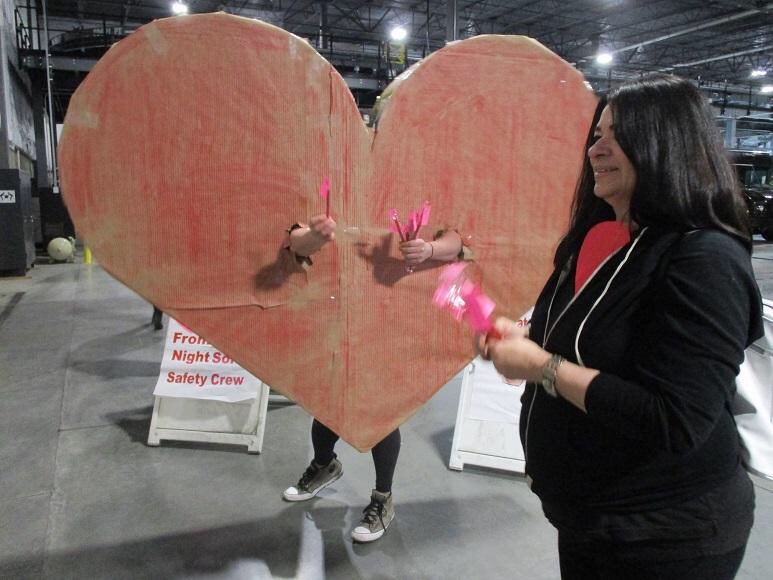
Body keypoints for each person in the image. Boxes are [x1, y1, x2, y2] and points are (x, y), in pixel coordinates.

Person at [476, 74, 763, 579]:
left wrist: (542, 366)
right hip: (593, 521)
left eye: (614, 135)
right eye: (596, 134)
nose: (595, 149)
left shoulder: (703, 257)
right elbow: (586, 343)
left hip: (666, 535)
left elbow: (675, 418)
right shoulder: (605, 239)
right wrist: (522, 342)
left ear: (662, 142)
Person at [282, 213, 463, 543]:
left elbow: (458, 240)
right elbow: (294, 239)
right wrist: (317, 237)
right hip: (334, 311)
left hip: (394, 317)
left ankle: (383, 497)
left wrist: (429, 249)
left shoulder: (419, 179)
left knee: (381, 406)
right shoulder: (328, 177)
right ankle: (324, 464)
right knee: (330, 399)